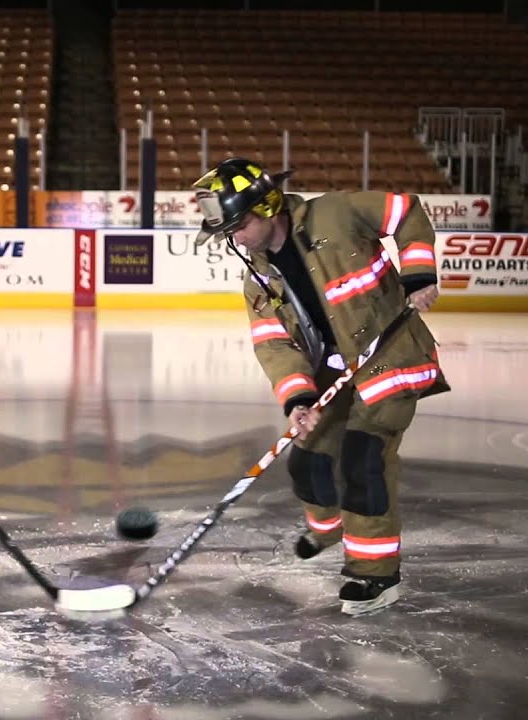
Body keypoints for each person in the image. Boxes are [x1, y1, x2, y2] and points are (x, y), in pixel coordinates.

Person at [192, 157, 449, 616]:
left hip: (389, 360)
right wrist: (299, 398)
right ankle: (328, 527)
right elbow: (274, 344)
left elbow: (405, 211)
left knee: (363, 460)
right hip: (333, 372)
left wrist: (418, 274)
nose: (233, 238)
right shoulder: (258, 276)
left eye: (237, 226)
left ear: (266, 209)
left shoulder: (337, 213)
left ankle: (375, 575)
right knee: (308, 460)